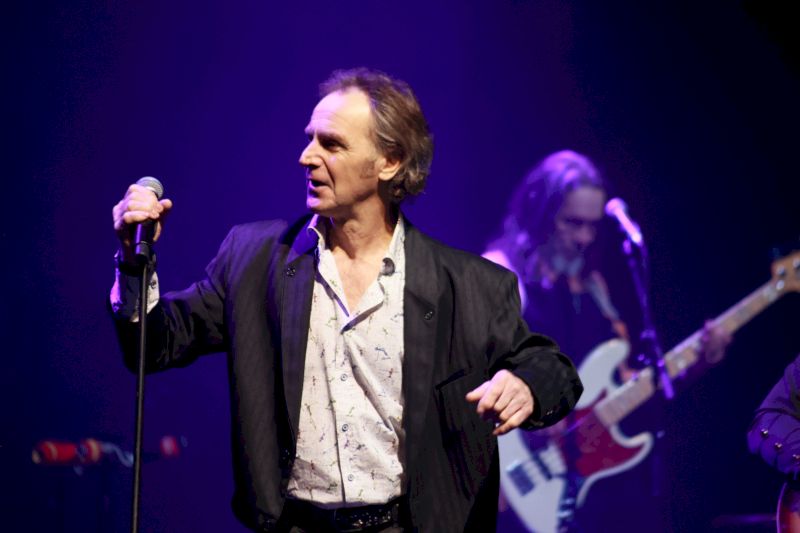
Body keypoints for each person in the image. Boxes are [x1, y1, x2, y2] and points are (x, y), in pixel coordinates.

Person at [110, 69, 583, 532]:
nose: (306, 157)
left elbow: (553, 369)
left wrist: (526, 384)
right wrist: (132, 261)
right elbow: (154, 344)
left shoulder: (468, 284)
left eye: (331, 144)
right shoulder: (255, 261)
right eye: (310, 139)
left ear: (389, 162)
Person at [483, 150, 731, 531]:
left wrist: (696, 363)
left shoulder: (592, 288)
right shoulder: (504, 275)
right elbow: (464, 372)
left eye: (592, 226)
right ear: (539, 215)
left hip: (593, 484)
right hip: (519, 475)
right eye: (572, 223)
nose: (584, 238)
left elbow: (628, 383)